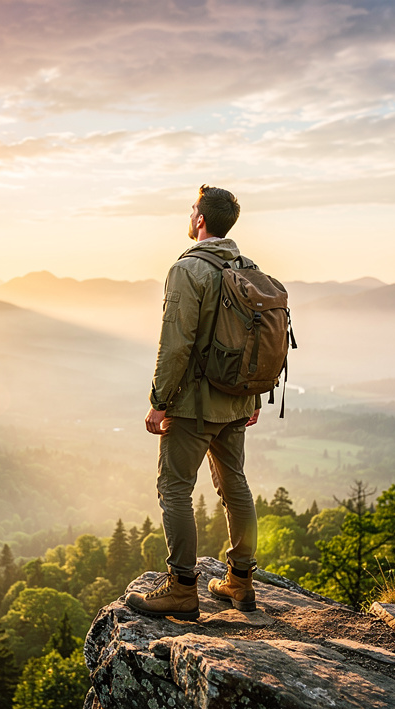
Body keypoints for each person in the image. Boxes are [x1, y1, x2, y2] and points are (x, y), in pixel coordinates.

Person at [125, 185, 260, 620]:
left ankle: (183, 589)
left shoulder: (189, 270)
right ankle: (239, 580)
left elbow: (176, 343)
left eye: (191, 209)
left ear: (200, 220)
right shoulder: (247, 266)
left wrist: (159, 401)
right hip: (237, 399)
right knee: (234, 484)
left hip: (194, 405)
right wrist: (253, 394)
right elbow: (256, 340)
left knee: (174, 489)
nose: (189, 215)